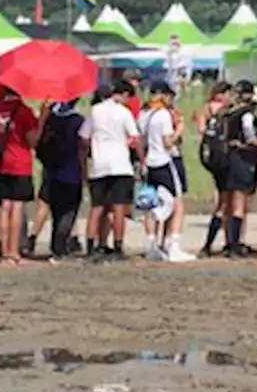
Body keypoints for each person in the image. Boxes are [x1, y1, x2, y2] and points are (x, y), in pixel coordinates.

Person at [0, 81, 40, 263]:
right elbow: (32, 141)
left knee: (4, 206)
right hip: (20, 163)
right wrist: (42, 119)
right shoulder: (25, 111)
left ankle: (3, 249)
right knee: (17, 207)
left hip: (0, 165)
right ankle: (13, 251)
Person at [84, 80, 141, 261]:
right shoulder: (124, 112)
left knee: (96, 207)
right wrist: (142, 158)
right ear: (124, 94)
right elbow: (135, 137)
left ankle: (91, 246)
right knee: (118, 207)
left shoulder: (95, 111)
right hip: (120, 164)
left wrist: (91, 152)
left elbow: (84, 137)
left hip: (99, 163)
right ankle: (117, 245)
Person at [139, 81, 195, 262]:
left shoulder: (143, 114)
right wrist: (178, 130)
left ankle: (152, 244)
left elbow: (140, 141)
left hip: (149, 162)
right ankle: (174, 245)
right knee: (177, 203)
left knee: (152, 201)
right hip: (164, 160)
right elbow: (168, 142)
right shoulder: (163, 114)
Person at [34, 101, 87, 261]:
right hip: (71, 171)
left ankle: (56, 245)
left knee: (57, 210)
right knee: (69, 210)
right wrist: (84, 170)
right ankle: (61, 245)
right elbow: (82, 147)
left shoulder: (51, 120)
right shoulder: (78, 121)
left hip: (52, 171)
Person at [216, 80, 257, 259]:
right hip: (243, 161)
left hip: (228, 160)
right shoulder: (246, 115)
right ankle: (235, 245)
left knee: (229, 203)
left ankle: (230, 243)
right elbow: (250, 137)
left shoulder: (227, 113)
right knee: (239, 204)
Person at [195, 81, 233, 256]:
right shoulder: (227, 110)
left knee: (222, 200)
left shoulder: (206, 108)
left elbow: (201, 130)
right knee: (225, 203)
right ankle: (220, 242)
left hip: (212, 158)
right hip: (227, 158)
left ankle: (218, 242)